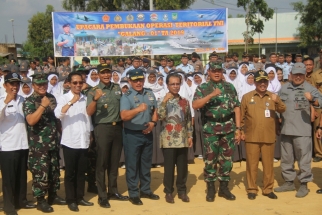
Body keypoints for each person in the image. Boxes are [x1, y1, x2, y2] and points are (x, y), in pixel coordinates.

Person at [192, 62, 241, 202]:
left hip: (228, 127)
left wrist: (238, 128)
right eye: (214, 71)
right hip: (211, 128)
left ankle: (224, 188)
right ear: (208, 72)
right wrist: (211, 95)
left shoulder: (229, 87)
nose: (217, 73)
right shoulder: (203, 87)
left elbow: (237, 107)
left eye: (219, 70)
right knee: (210, 159)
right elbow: (195, 105)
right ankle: (211, 189)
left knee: (226, 160)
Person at [275, 63, 322, 198]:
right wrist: (278, 119)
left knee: (304, 159)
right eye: (296, 74)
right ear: (291, 74)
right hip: (286, 129)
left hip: (302, 130)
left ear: (304, 75)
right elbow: (278, 104)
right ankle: (289, 182)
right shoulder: (284, 88)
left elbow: (321, 102)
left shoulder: (309, 88)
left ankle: (304, 184)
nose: (298, 77)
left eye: (301, 74)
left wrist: (312, 99)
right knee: (286, 158)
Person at [23, 73, 66, 213]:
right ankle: (40, 201)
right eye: (39, 84)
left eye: (44, 84)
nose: (42, 87)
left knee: (54, 171)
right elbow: (31, 121)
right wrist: (42, 106)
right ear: (33, 86)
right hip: (39, 146)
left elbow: (55, 117)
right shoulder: (29, 101)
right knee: (40, 174)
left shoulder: (51, 97)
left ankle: (53, 196)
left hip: (53, 142)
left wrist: (61, 131)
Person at [86, 64, 128, 208]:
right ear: (98, 74)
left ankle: (113, 190)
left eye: (107, 72)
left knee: (114, 162)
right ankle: (102, 195)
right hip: (102, 128)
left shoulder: (116, 88)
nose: (105, 75)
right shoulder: (93, 91)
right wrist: (96, 99)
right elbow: (89, 112)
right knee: (102, 163)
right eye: (102, 73)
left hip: (117, 128)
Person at [240, 70, 286, 200]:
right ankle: (252, 189)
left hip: (268, 136)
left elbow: (283, 109)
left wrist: (277, 101)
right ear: (255, 82)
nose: (262, 84)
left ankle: (267, 189)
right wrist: (241, 131)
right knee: (252, 165)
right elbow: (241, 116)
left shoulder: (273, 96)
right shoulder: (247, 97)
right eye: (260, 81)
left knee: (268, 165)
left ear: (268, 82)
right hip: (252, 137)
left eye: (265, 81)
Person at [54, 72, 94, 212]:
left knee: (81, 171)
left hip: (83, 140)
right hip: (70, 141)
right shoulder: (64, 98)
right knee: (70, 172)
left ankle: (80, 197)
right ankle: (71, 200)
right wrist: (71, 102)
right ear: (69, 84)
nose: (78, 85)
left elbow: (87, 118)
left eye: (80, 83)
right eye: (75, 83)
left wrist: (89, 133)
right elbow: (58, 114)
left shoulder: (85, 98)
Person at [120, 69, 159, 205]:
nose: (138, 82)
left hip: (147, 133)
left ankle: (145, 190)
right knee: (132, 165)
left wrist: (153, 123)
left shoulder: (149, 93)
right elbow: (123, 116)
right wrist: (138, 109)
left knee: (146, 164)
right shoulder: (126, 96)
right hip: (132, 134)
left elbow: (155, 111)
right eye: (135, 80)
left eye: (140, 80)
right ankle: (133, 193)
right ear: (130, 81)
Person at [0, 73, 36, 215]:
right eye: (11, 84)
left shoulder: (23, 99)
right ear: (5, 86)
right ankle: (8, 205)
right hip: (8, 146)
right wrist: (5, 103)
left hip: (23, 144)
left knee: (22, 175)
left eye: (17, 84)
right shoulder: (1, 100)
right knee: (8, 178)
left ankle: (21, 200)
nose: (15, 86)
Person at [157, 73, 193, 204]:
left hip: (182, 138)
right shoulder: (162, 100)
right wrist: (165, 101)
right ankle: (168, 191)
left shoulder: (185, 101)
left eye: (177, 83)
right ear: (167, 85)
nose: (175, 86)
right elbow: (160, 116)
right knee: (169, 167)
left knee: (183, 167)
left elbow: (188, 120)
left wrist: (190, 135)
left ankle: (182, 191)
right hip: (168, 139)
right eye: (172, 84)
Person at [311, 59, 322, 162]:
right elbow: (313, 91)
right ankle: (319, 153)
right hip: (319, 106)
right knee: (317, 129)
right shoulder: (315, 75)